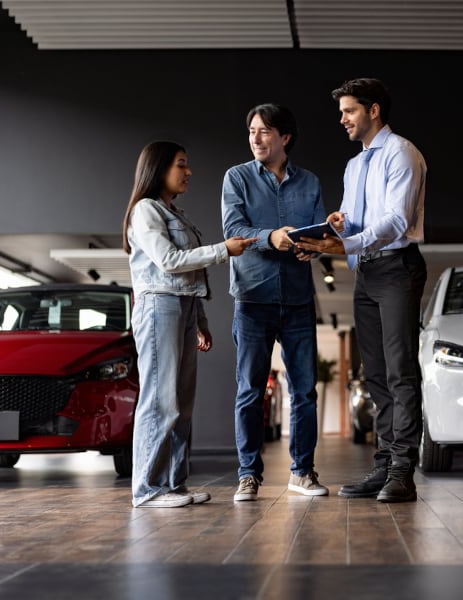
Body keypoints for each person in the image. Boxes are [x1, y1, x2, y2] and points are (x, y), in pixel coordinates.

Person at [295, 78, 427, 503]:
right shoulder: (355, 166)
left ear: (373, 110)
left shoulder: (402, 153)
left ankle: (403, 470)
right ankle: (385, 464)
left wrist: (349, 243)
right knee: (376, 374)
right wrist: (330, 233)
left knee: (400, 370)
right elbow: (356, 223)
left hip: (397, 268)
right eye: (341, 112)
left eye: (349, 111)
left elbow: (395, 220)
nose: (342, 119)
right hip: (367, 272)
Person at [122, 140, 255, 508]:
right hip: (158, 307)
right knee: (159, 401)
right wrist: (223, 249)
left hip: (182, 307)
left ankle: (173, 485)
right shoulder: (145, 211)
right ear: (158, 168)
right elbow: (169, 260)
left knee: (181, 405)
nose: (188, 172)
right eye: (181, 164)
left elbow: (188, 274)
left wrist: (200, 320)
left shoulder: (176, 214)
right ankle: (148, 490)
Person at [221, 103, 329, 502]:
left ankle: (302, 472)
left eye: (264, 131)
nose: (255, 138)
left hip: (298, 299)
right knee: (250, 391)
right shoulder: (236, 178)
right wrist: (272, 237)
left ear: (285, 137)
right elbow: (234, 228)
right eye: (252, 130)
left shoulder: (310, 182)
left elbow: (318, 234)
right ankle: (248, 474)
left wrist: (312, 247)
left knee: (305, 392)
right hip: (253, 299)